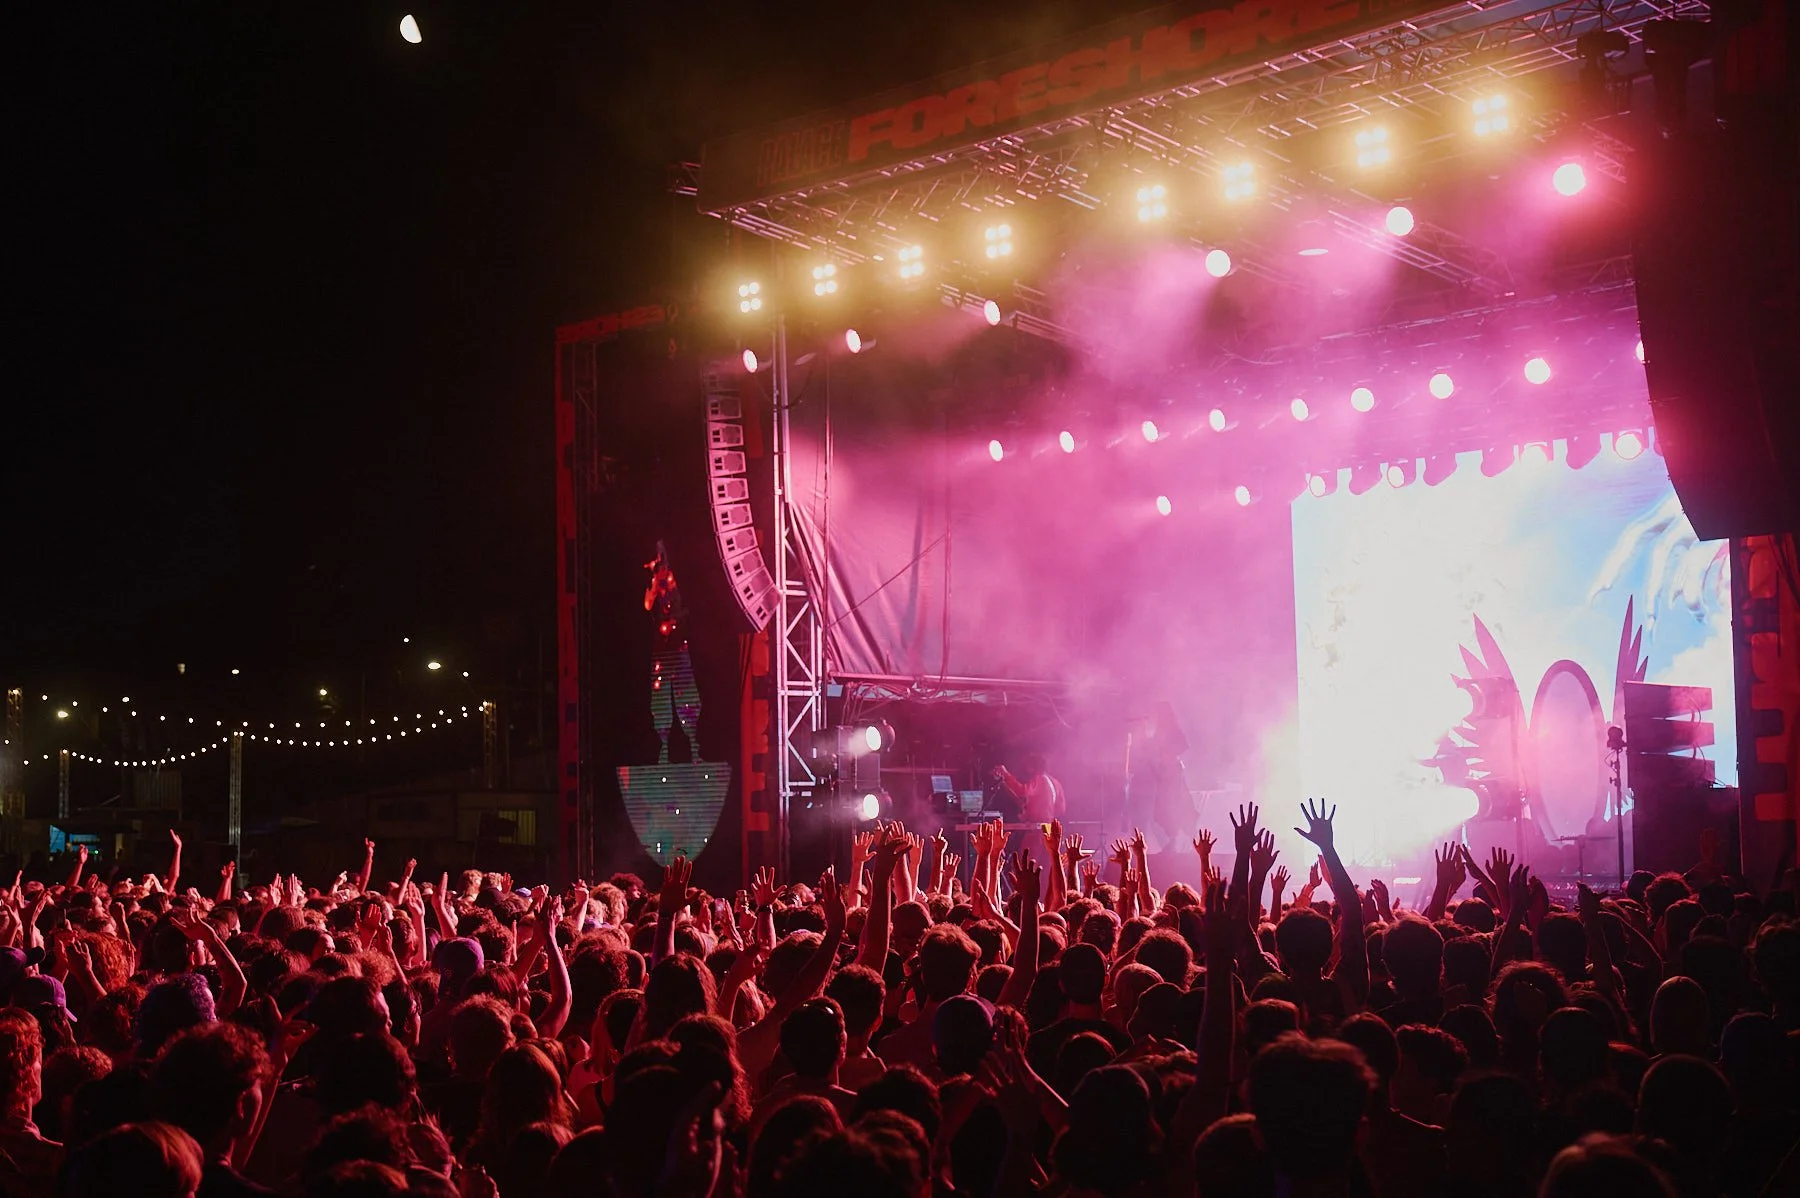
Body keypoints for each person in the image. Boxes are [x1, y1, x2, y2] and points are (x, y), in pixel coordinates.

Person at [991, 754, 1064, 825]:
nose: (1027, 771)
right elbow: (1061, 808)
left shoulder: (1040, 779)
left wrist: (1006, 774)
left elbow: (1022, 791)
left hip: (1038, 830)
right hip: (1050, 829)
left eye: (1028, 767)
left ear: (1033, 767)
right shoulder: (1056, 783)